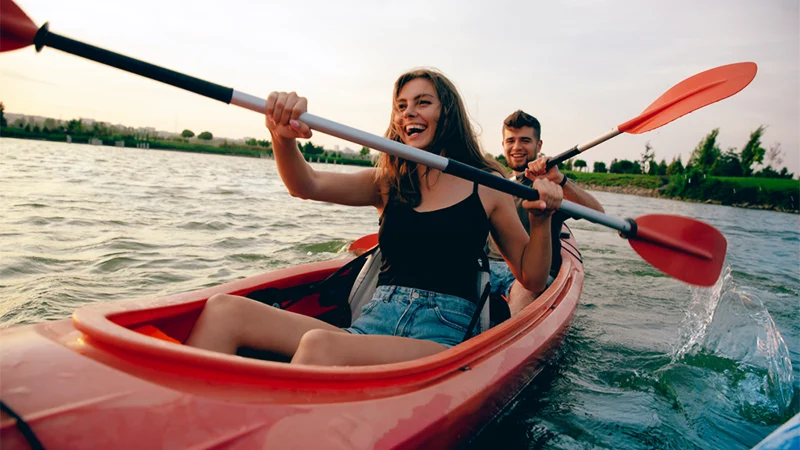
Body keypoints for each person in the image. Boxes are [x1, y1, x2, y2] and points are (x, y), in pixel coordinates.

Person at [184, 69, 563, 366]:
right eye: (400, 105)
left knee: (321, 346)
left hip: (439, 339)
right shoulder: (389, 181)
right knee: (223, 310)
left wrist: (542, 220)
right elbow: (307, 183)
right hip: (370, 323)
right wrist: (281, 136)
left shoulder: (488, 183)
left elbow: (530, 277)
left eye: (422, 102)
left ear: (446, 112)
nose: (408, 112)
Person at [488, 110, 604, 316]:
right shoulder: (497, 182)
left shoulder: (550, 187)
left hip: (529, 275)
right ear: (503, 144)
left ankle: (514, 343)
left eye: (525, 140)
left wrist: (560, 180)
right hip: (488, 267)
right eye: (510, 140)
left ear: (538, 145)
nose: (517, 147)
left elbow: (598, 214)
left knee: (524, 294)